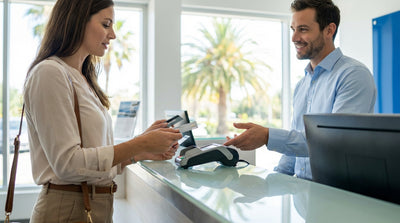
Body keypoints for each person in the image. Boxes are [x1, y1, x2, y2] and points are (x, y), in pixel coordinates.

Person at [23, 0, 182, 222]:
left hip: (94, 206)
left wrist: (138, 152)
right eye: (106, 24)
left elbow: (90, 163)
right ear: (78, 21)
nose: (113, 34)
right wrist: (140, 143)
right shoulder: (50, 73)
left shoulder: (82, 79)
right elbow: (68, 164)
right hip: (68, 209)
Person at [224, 0, 377, 180]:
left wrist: (267, 136)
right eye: (293, 29)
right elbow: (293, 153)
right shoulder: (302, 84)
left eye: (303, 29)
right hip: (303, 195)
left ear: (329, 30)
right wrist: (268, 184)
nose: (294, 38)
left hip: (338, 195)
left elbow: (336, 142)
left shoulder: (353, 75)